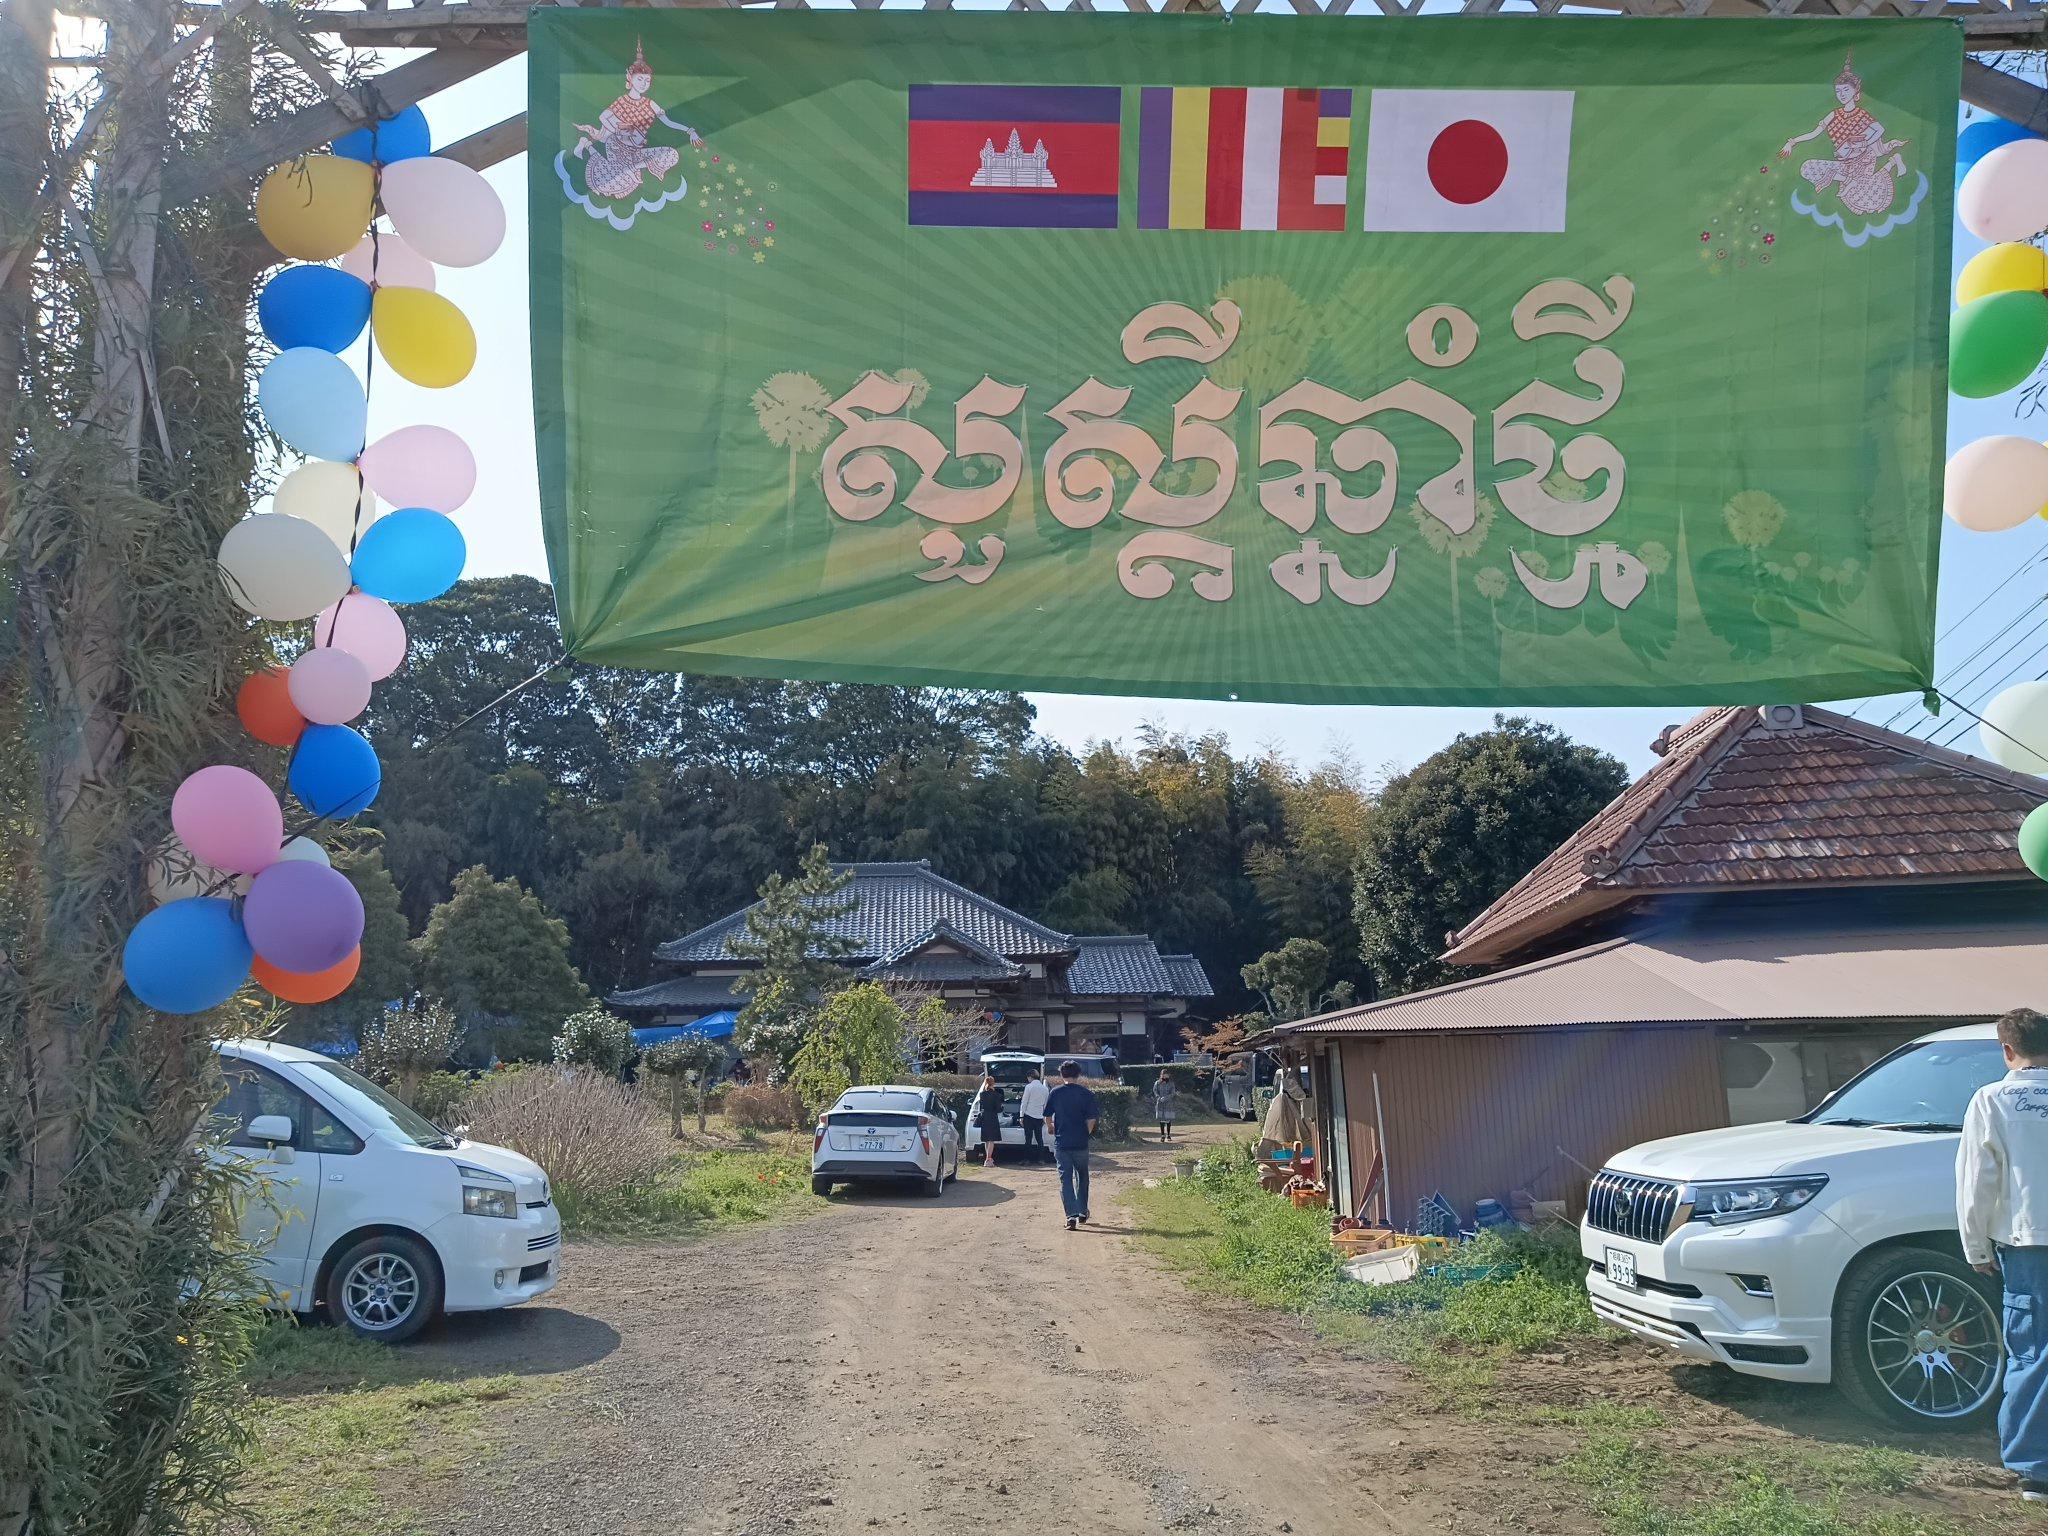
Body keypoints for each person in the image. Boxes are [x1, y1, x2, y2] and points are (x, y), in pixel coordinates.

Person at [1958, 1006, 2048, 1503]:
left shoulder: (1993, 1099)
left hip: (2029, 1244)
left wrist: (1974, 1245)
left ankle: (2036, 1470)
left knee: (2033, 1352)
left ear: (2007, 1050)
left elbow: (1976, 1180)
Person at [1042, 1059, 1100, 1231]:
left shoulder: (1055, 1092)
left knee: (1065, 1179)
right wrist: (1086, 1133)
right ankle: (1082, 1211)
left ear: (1062, 1074)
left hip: (1062, 1142)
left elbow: (1047, 1115)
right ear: (1078, 1074)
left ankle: (1071, 1216)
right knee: (1082, 1177)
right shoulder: (1087, 1094)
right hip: (1081, 1142)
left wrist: (1051, 1127)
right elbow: (1091, 1119)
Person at [972, 1070, 1005, 1167]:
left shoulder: (982, 1095)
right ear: (993, 1083)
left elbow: (981, 1106)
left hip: (984, 1117)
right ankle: (988, 1159)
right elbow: (998, 1109)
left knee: (987, 1139)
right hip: (992, 1117)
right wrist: (1002, 1108)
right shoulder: (996, 1095)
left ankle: (987, 1158)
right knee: (991, 1140)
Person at [1018, 1067, 1050, 1164]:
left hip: (1028, 1115)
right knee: (1039, 1139)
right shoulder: (1044, 1089)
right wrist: (1045, 1116)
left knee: (1028, 1139)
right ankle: (1041, 1159)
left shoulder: (1029, 1087)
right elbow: (1045, 1104)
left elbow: (1024, 1102)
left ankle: (1027, 1159)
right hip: (1040, 1116)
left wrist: (1021, 1116)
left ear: (1030, 1077)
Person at [1150, 1072, 1177, 1142]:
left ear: (1168, 1075)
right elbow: (1155, 1091)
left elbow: (1173, 1093)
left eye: (1166, 1075)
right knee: (1161, 1120)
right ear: (1161, 1075)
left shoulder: (1171, 1083)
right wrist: (1159, 1097)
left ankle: (1168, 1135)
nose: (1165, 1076)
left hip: (1168, 1103)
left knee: (1168, 1119)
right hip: (1160, 1103)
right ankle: (1162, 1135)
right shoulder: (1157, 1083)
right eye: (1163, 1075)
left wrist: (1166, 1098)